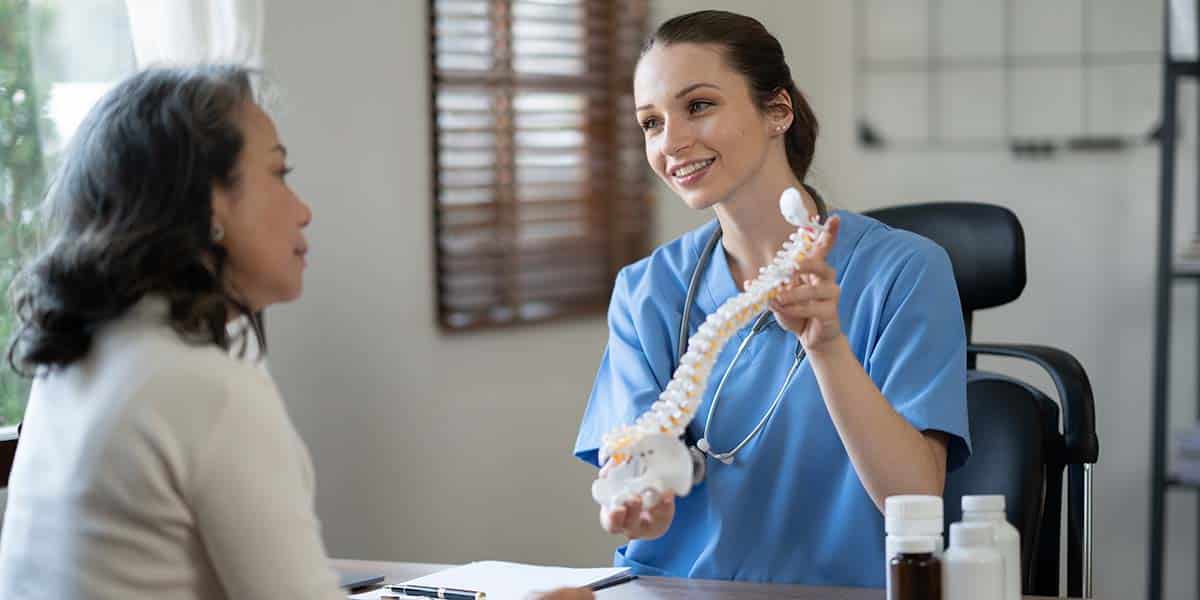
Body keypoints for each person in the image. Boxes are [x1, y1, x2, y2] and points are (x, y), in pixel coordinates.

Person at [0, 65, 591, 600]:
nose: (304, 208)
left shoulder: (77, 361)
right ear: (210, 202)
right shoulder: (203, 387)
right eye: (279, 173)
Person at [573, 10, 971, 587]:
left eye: (699, 106)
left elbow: (914, 499)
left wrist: (827, 346)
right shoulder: (647, 290)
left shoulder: (905, 271)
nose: (672, 141)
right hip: (674, 589)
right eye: (652, 122)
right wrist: (639, 500)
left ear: (777, 111)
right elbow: (638, 466)